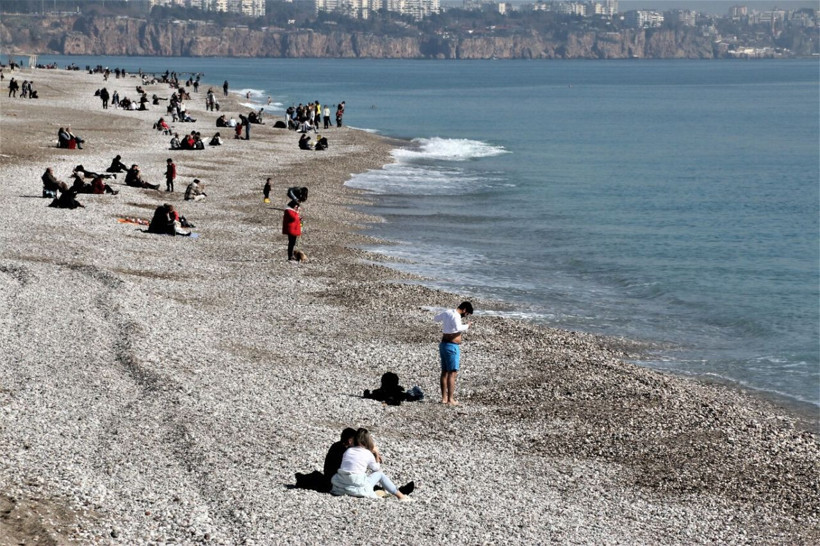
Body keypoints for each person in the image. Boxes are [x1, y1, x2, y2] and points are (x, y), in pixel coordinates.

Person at [330, 429, 410, 501]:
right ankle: (401, 496)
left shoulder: (348, 451)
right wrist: (376, 454)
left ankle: (385, 491)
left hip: (341, 485)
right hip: (358, 486)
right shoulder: (368, 453)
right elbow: (376, 469)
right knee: (380, 475)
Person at [433, 302, 474, 406]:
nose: (466, 316)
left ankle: (444, 398)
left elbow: (436, 318)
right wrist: (468, 325)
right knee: (452, 373)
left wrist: (447, 326)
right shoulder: (456, 315)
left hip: (444, 345)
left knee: (444, 372)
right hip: (452, 346)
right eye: (467, 313)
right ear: (464, 310)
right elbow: (458, 328)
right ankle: (450, 399)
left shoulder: (447, 312)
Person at [294, 428, 357, 492]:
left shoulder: (336, 445)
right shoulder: (346, 451)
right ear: (350, 441)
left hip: (329, 476)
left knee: (317, 478)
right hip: (334, 479)